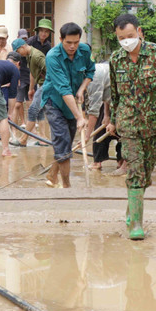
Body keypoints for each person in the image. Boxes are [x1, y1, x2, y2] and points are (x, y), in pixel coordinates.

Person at [106, 14, 156, 240]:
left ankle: (131, 210)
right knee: (135, 170)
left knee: (147, 170)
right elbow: (115, 93)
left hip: (154, 123)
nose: (126, 41)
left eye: (129, 36)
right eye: (121, 38)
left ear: (140, 32)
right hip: (128, 124)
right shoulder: (116, 59)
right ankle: (136, 224)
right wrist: (113, 120)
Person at [40, 23, 95, 188]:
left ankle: (52, 174)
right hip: (54, 102)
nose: (73, 47)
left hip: (74, 103)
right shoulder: (52, 57)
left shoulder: (85, 50)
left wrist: (82, 88)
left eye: (76, 42)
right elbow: (63, 89)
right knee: (63, 141)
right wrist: (80, 117)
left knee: (65, 144)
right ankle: (67, 187)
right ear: (60, 39)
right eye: (68, 43)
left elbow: (90, 71)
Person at [85, 61, 125, 174]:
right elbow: (107, 95)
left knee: (123, 132)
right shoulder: (91, 75)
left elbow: (93, 112)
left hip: (126, 103)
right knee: (101, 129)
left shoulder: (93, 78)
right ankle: (97, 161)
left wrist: (86, 136)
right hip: (112, 101)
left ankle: (122, 161)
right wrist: (107, 115)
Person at [10, 37, 46, 147]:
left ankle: (23, 139)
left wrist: (46, 87)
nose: (19, 55)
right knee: (39, 112)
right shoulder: (29, 56)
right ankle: (43, 139)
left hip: (47, 84)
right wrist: (31, 89)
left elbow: (51, 70)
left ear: (22, 47)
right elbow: (32, 72)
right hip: (41, 84)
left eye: (18, 51)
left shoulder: (37, 56)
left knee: (32, 110)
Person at [13, 28, 31, 129]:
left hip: (29, 77)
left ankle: (29, 122)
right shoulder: (16, 49)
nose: (24, 40)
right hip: (20, 78)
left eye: (25, 38)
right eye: (22, 38)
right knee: (19, 102)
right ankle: (21, 122)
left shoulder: (29, 49)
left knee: (29, 100)